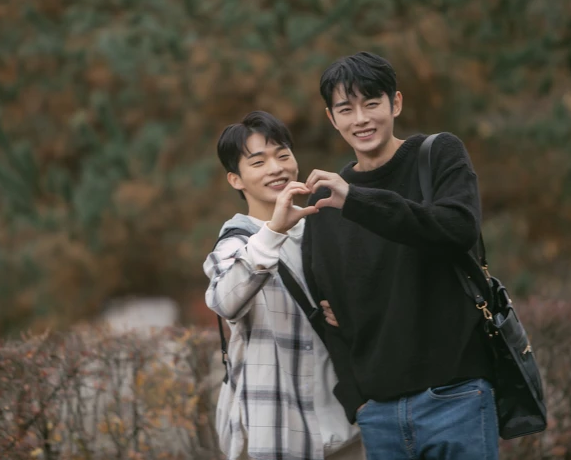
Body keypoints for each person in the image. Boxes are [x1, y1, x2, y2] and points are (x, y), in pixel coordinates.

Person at [302, 52, 499, 460]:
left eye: (372, 103)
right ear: (332, 118)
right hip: (379, 415)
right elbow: (326, 311)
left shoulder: (438, 154)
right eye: (346, 109)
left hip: (456, 397)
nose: (361, 119)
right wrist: (357, 400)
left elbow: (457, 229)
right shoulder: (325, 202)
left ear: (396, 103)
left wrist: (356, 200)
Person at [204, 110, 363, 460]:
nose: (276, 169)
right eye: (258, 162)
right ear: (235, 179)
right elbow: (223, 300)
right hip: (277, 430)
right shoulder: (237, 243)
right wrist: (273, 231)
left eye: (282, 155)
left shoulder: (321, 228)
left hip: (349, 425)